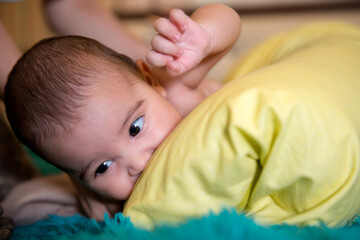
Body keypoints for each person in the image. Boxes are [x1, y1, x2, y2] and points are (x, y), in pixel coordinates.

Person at [4, 3, 241, 220]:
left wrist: (204, 35)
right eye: (103, 167)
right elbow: (18, 206)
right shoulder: (109, 200)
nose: (137, 163)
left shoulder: (177, 90)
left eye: (135, 128)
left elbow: (227, 19)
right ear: (79, 181)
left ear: (150, 81)